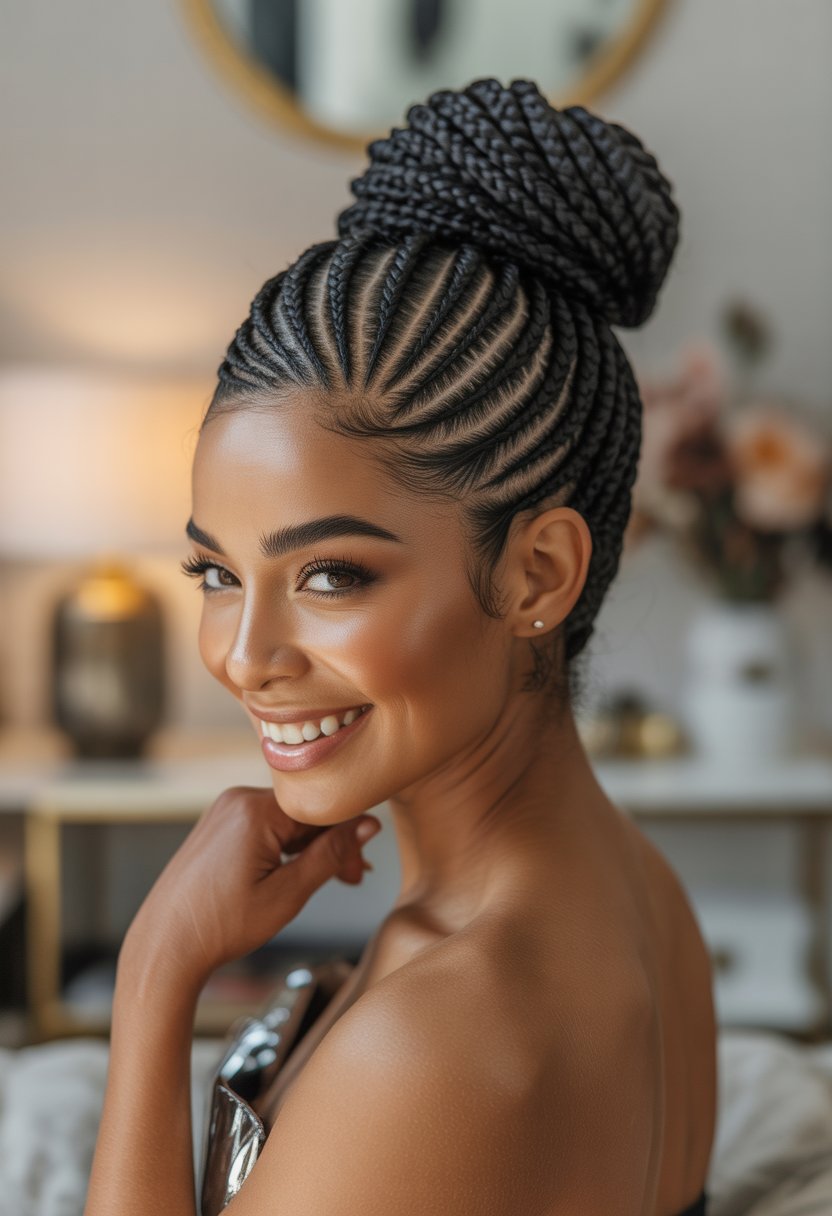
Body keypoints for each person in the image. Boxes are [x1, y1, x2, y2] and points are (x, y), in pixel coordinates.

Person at [84, 77, 717, 1216]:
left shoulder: (432, 1041)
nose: (242, 654)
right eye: (218, 573)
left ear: (540, 574)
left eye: (331, 575)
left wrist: (153, 974)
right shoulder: (642, 893)